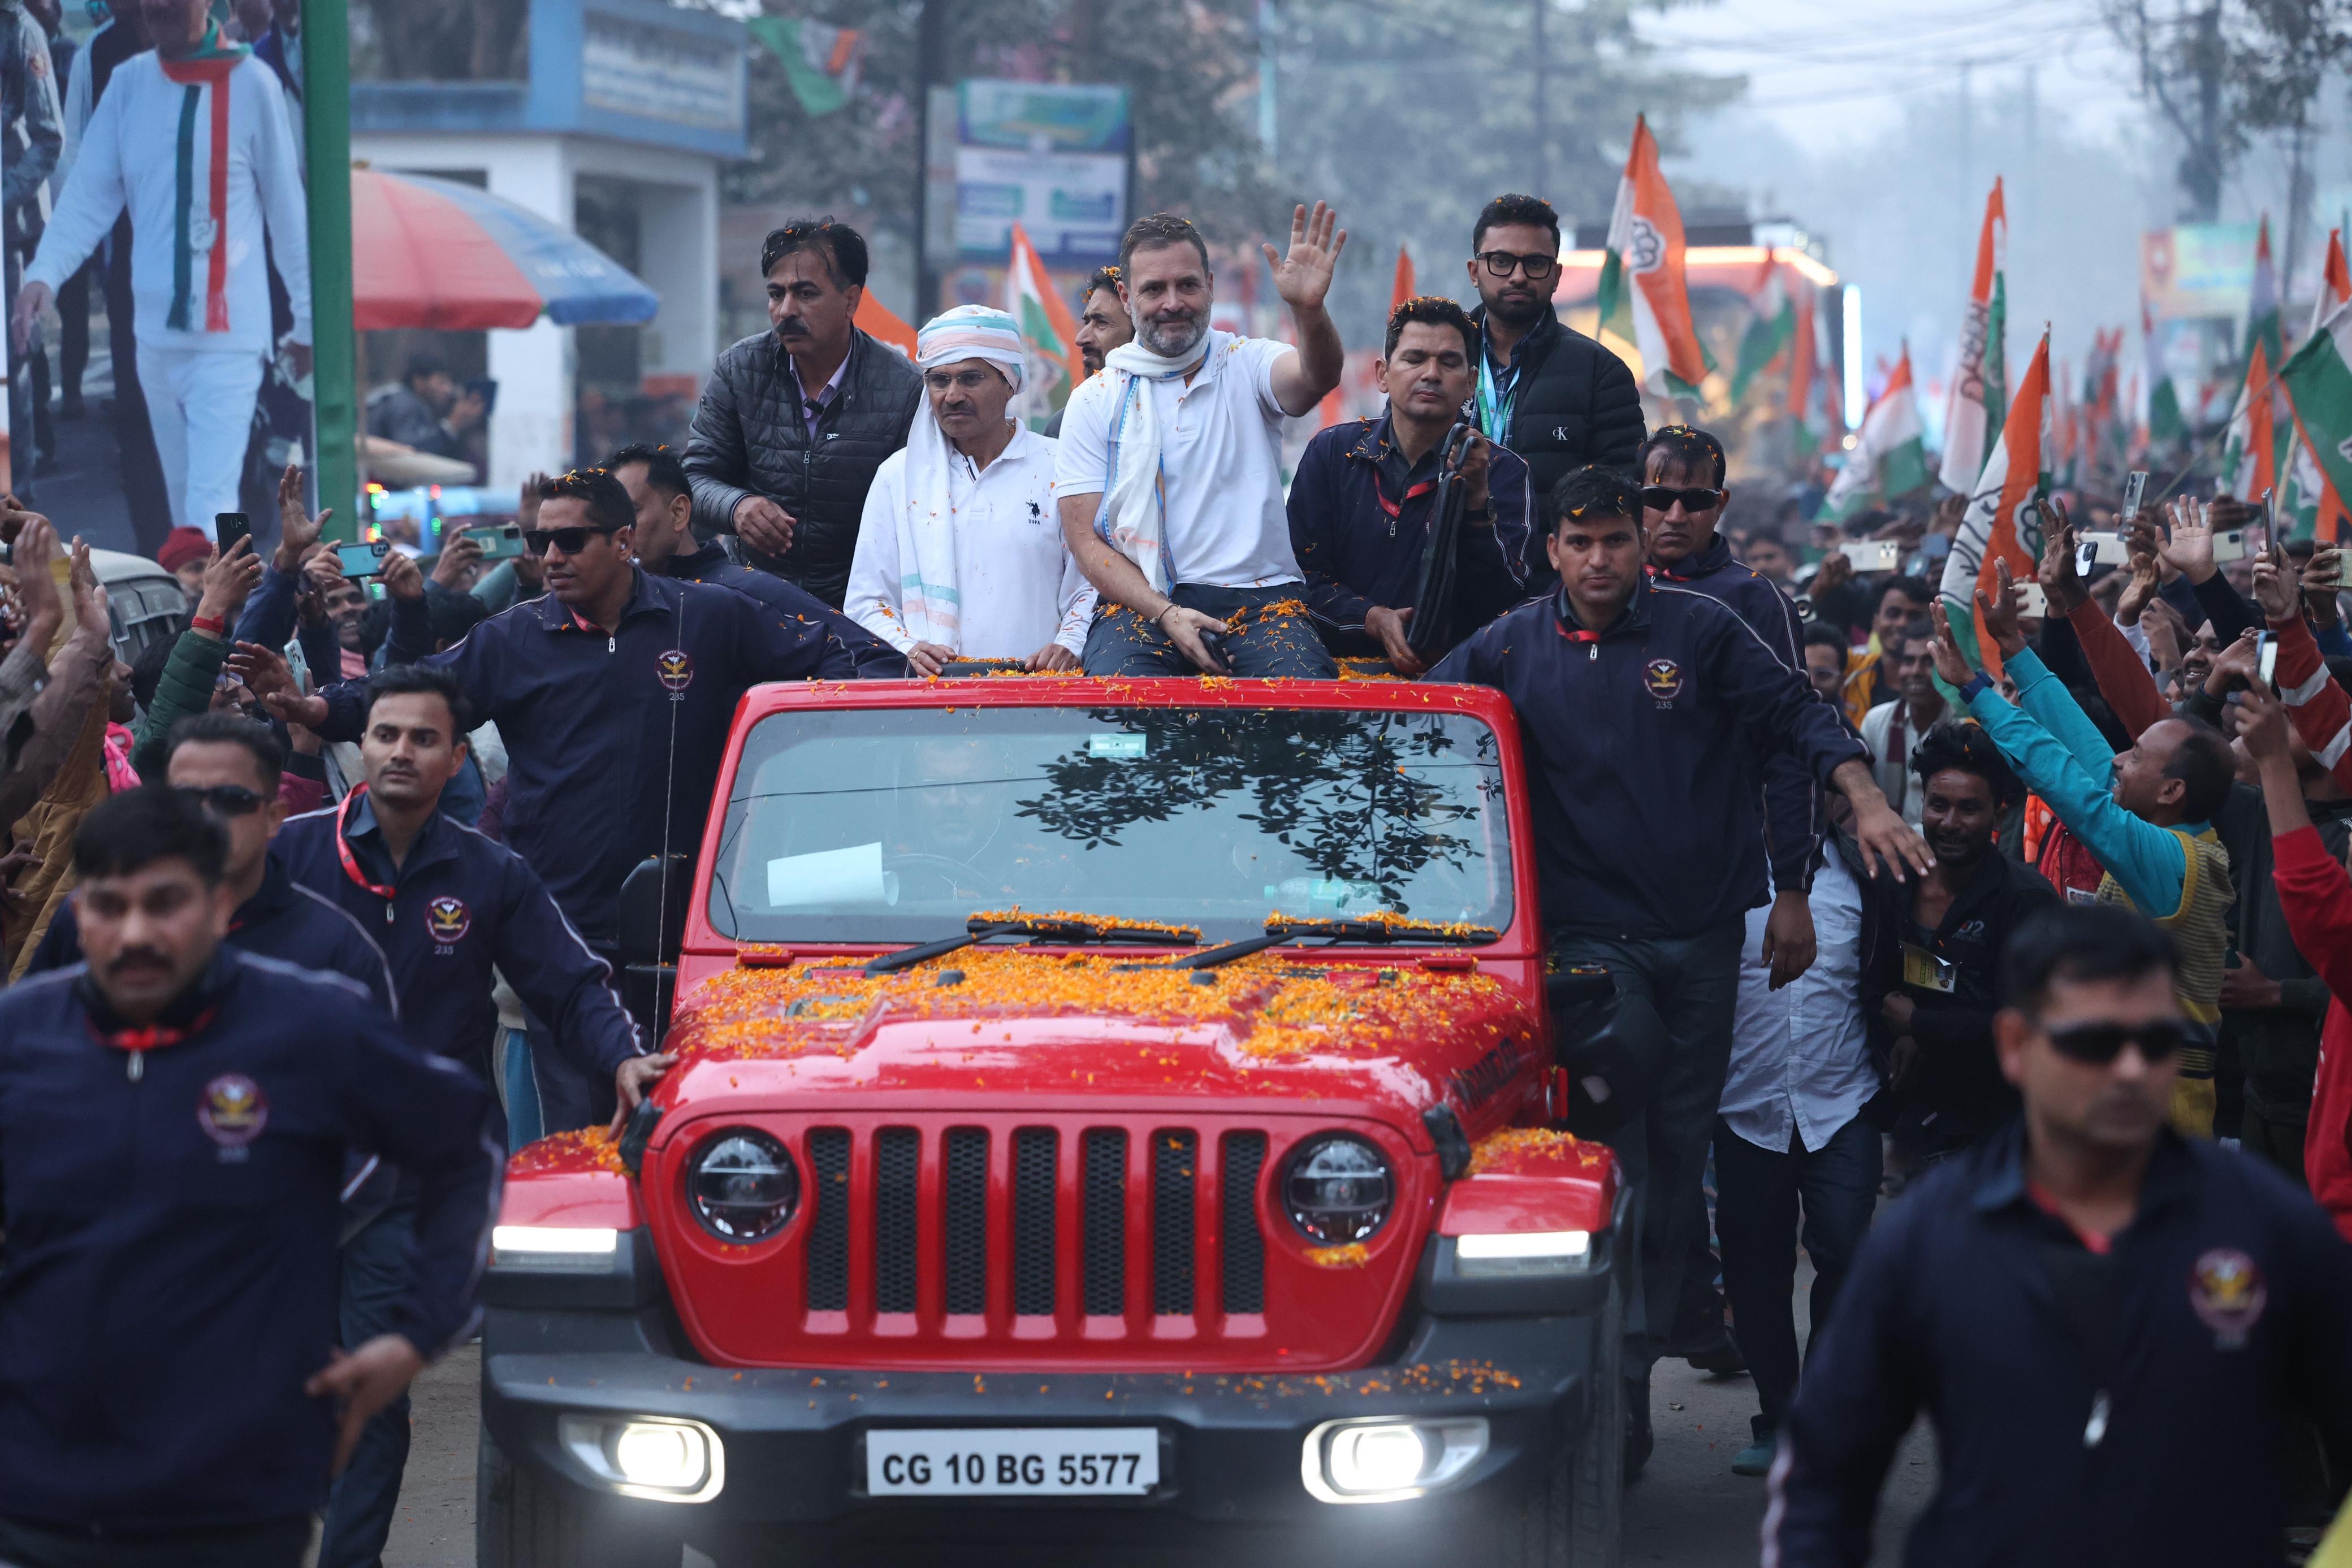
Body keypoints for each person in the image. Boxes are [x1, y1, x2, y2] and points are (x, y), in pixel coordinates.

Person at [1426, 464, 1931, 1476]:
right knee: (1630, 1148)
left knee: (1676, 1152)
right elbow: (1421, 725)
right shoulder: (1512, 643)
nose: (1603, 557)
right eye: (1583, 543)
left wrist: (1862, 799)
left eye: (1618, 538)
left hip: (1705, 938)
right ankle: (1614, 1381)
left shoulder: (1702, 628)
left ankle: (1636, 1366)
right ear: (1554, 553)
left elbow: (1799, 715)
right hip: (1588, 946)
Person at [242, 467, 903, 1129]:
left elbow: (839, 657)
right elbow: (413, 690)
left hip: (696, 941)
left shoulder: (703, 615)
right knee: (581, 1148)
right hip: (561, 941)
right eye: (539, 541)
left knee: (698, 1130)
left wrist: (918, 700)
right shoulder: (513, 638)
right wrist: (321, 705)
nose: (548, 557)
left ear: (622, 541)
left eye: (569, 540)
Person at [0, 786, 497, 1568]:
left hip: (235, 1498)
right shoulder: (21, 1038)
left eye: (165, 903)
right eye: (109, 904)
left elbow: (463, 1146)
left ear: (220, 901)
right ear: (78, 911)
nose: (135, 932)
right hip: (38, 1496)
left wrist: (415, 1334)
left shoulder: (311, 1026)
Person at [1771, 903, 2352, 1568]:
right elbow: (1822, 1478)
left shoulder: (2268, 1229)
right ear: (2016, 1045)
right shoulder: (1930, 1239)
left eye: (2156, 1040)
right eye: (2095, 1042)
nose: (2131, 1069)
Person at [274, 663, 662, 1568]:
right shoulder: (284, 857)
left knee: (371, 1392)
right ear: (359, 747)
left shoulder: (492, 874)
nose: (400, 751)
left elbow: (571, 985)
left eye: (422, 738)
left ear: (457, 758)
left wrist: (624, 1057)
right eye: (384, 735)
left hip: (408, 1183)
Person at [1932, 566, 2234, 1137]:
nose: (2119, 759)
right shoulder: (2167, 829)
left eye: (2137, 757)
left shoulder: (2174, 860)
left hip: (2161, 1102)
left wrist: (1977, 691)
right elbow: (2085, 750)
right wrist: (2016, 649)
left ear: (2171, 791)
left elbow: (2069, 784)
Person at [14, 0, 310, 540]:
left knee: (209, 499)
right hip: (153, 339)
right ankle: (227, 597)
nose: (156, 6)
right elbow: (88, 196)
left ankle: (220, 610)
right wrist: (44, 275)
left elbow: (289, 218)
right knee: (185, 504)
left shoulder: (254, 86)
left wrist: (308, 325)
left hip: (230, 341)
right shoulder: (127, 86)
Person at [1055, 206, 1347, 678]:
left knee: (1305, 722)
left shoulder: (1247, 363)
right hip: (1142, 604)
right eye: (1154, 289)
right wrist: (1165, 612)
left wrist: (1308, 311)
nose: (1173, 303)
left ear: (1210, 285)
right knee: (1119, 721)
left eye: (1187, 285)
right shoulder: (1095, 399)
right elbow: (1086, 540)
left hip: (1263, 604)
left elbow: (1317, 377)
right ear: (1127, 298)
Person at [1714, 799, 1884, 1479]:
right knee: (1755, 1273)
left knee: (1844, 1250)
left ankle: (1817, 1412)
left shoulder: (1870, 876)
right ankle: (1776, 1416)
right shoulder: (1721, 874)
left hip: (1842, 1100)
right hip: (1744, 1106)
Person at [27, 712, 392, 1011]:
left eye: (230, 799)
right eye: (187, 798)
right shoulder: (94, 918)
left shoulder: (334, 949)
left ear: (274, 816)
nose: (205, 815)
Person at [1642, 423, 1824, 988]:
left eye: (1693, 500)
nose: (1674, 514)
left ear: (1718, 505)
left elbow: (1789, 749)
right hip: (1603, 896)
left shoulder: (1753, 600)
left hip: (1713, 889)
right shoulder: (1597, 588)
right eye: (1656, 498)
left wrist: (1792, 889)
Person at [684, 216, 923, 608]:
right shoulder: (739, 370)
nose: (786, 311)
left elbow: (917, 515)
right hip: (751, 600)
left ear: (851, 300)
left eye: (806, 294)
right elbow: (694, 479)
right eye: (776, 295)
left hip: (859, 612)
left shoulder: (903, 388)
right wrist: (737, 506)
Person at [1287, 294, 1532, 674]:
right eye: (1415, 359)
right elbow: (1297, 578)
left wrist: (1478, 502)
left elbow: (1502, 603)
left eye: (1448, 362)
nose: (1431, 374)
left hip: (1451, 678)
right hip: (1331, 674)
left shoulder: (1502, 470)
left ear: (1470, 383)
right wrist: (1371, 618)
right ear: (1383, 374)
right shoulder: (1333, 453)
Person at [845, 305, 1094, 674]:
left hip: (1039, 700)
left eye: (971, 379)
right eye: (939, 380)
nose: (952, 395)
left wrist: (1069, 644)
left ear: (1010, 382)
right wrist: (909, 648)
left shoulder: (1061, 468)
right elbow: (867, 602)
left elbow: (1091, 584)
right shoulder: (898, 477)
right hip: (930, 705)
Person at [1864, 720, 2059, 1163]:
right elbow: (1877, 984)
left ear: (1999, 814)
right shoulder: (1894, 883)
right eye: (1939, 805)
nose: (1950, 823)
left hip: (2002, 1128)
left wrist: (1922, 1026)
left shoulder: (2026, 900)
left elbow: (2030, 1027)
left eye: (1969, 809)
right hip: (1914, 1118)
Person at [1463, 193, 1643, 587]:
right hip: (1449, 591)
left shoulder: (1600, 372)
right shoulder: (1438, 359)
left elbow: (1623, 499)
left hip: (1551, 597)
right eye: (1501, 261)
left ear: (1557, 275)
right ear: (1475, 270)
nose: (1518, 276)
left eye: (1536, 264)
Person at [604, 440, 901, 677]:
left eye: (632, 515)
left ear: (679, 512)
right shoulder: (605, 611)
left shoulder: (747, 593)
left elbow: (878, 663)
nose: (621, 534)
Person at [1858, 618, 1944, 828]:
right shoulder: (1875, 722)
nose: (1916, 671)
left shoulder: (1962, 725)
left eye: (1928, 662)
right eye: (1908, 661)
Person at [1043, 263, 1130, 439]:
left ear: (1141, 331)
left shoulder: (1179, 410)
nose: (1081, 339)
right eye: (1087, 323)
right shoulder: (1067, 424)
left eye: (1102, 323)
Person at [1835, 571, 1932, 726]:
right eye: (1893, 614)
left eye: (1915, 617)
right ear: (1875, 622)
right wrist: (1820, 588)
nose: (1902, 623)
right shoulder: (1850, 668)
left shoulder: (1945, 681)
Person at [365, 356, 481, 464]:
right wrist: (452, 424)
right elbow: (410, 454)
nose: (448, 389)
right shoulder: (403, 403)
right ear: (419, 381)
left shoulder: (415, 402)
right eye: (441, 382)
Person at [1802, 621, 1852, 709]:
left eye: (1823, 674)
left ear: (1841, 681)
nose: (1812, 683)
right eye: (1803, 673)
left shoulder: (1842, 723)